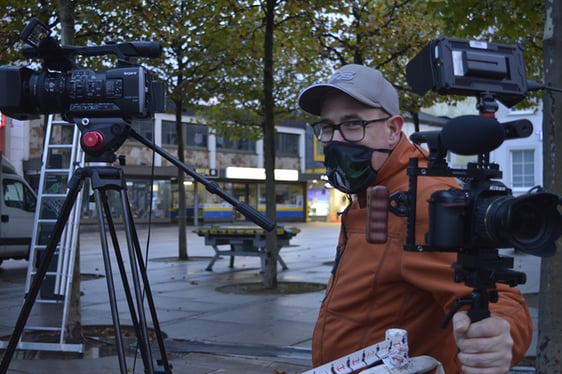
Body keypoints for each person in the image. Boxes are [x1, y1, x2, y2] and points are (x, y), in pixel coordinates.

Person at [298, 64, 533, 374]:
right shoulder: (374, 187)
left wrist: (501, 337)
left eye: (353, 124)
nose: (335, 140)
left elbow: (497, 295)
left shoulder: (422, 198)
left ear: (394, 129)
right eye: (327, 127)